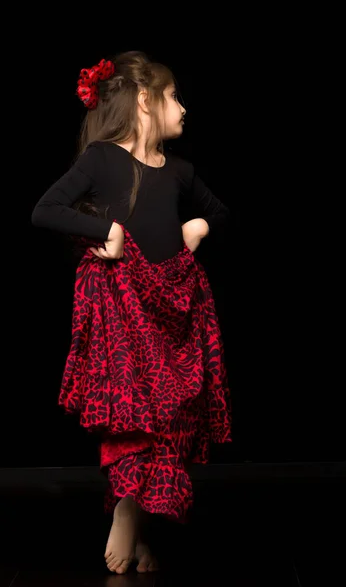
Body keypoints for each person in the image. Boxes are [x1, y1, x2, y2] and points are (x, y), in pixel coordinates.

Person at [31, 50, 232, 575]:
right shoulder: (102, 158)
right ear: (145, 100)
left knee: (169, 421)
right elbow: (45, 209)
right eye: (174, 96)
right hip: (125, 306)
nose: (183, 107)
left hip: (175, 308)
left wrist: (200, 228)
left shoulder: (181, 170)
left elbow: (220, 211)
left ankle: (138, 528)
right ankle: (124, 508)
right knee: (136, 412)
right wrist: (108, 232)